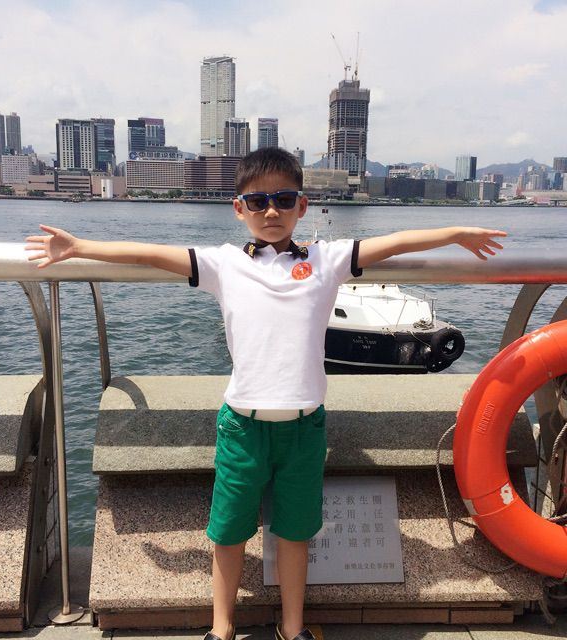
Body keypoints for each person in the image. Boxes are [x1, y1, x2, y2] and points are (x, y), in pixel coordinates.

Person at [25, 148, 506, 640]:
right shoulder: (223, 264)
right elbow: (149, 253)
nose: (271, 211)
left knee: (296, 533)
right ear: (239, 209)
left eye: (283, 199)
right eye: (258, 202)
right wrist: (78, 246)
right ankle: (221, 627)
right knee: (228, 532)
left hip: (304, 429)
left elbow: (394, 243)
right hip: (243, 428)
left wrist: (455, 233)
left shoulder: (327, 259)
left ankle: (292, 627)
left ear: (302, 205)